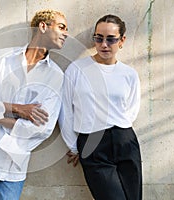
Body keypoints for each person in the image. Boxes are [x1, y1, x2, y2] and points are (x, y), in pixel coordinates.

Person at [0, 9, 68, 200]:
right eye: (61, 27)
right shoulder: (1, 58)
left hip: (14, 159)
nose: (66, 33)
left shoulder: (56, 77)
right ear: (43, 26)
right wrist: (18, 109)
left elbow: (42, 129)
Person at [59, 14, 142, 200]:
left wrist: (118, 128)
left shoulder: (129, 74)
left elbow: (131, 109)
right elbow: (65, 111)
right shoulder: (77, 70)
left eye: (111, 39)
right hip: (92, 141)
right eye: (99, 38)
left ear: (122, 41)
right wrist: (74, 146)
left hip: (125, 139)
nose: (104, 44)